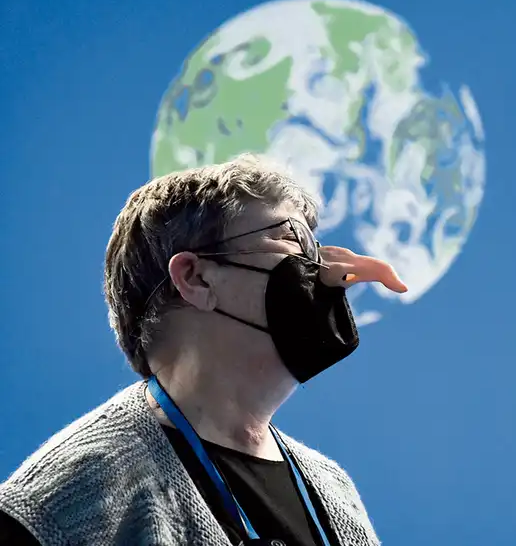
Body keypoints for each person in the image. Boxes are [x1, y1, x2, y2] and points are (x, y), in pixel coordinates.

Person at [0, 155, 407, 546]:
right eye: (291, 239)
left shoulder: (334, 490)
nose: (328, 273)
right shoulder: (70, 498)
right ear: (195, 278)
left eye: (316, 248)